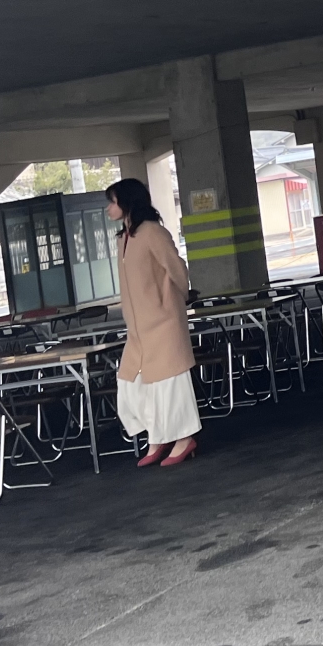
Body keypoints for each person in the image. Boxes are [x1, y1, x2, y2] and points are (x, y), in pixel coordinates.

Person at [106, 178, 202, 467]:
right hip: (138, 330)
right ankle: (158, 436)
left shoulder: (152, 232)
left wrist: (175, 300)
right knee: (132, 384)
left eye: (112, 201)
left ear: (127, 202)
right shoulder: (124, 238)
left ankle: (183, 438)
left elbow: (176, 268)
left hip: (163, 324)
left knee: (170, 385)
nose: (108, 208)